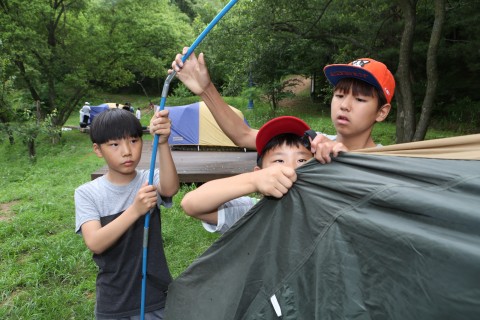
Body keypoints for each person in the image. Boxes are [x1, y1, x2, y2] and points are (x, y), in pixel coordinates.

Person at [170, 49, 395, 163]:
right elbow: (243, 134)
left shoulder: (393, 163)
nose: (345, 106)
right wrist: (206, 90)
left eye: (360, 99)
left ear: (382, 112)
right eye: (339, 95)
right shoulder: (312, 146)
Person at [74, 108, 179, 319]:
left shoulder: (148, 179)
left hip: (155, 295)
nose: (127, 151)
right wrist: (135, 210)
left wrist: (164, 143)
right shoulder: (87, 193)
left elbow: (169, 188)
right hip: (114, 301)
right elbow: (95, 242)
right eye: (114, 144)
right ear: (97, 149)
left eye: (133, 140)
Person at [181, 116, 313, 234]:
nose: (290, 169)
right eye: (279, 161)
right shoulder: (249, 211)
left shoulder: (323, 209)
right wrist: (253, 181)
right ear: (259, 172)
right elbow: (191, 204)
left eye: (301, 160)